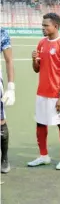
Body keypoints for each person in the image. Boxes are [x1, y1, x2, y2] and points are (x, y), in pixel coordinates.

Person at [28, 13, 60, 170]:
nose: (43, 28)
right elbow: (36, 69)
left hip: (57, 94)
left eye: (46, 25)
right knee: (40, 123)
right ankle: (43, 156)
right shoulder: (41, 43)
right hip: (42, 93)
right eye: (42, 25)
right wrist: (34, 60)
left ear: (56, 26)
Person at [0, 28, 15, 174]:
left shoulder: (1, 32)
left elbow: (9, 60)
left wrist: (11, 87)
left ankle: (4, 158)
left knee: (0, 120)